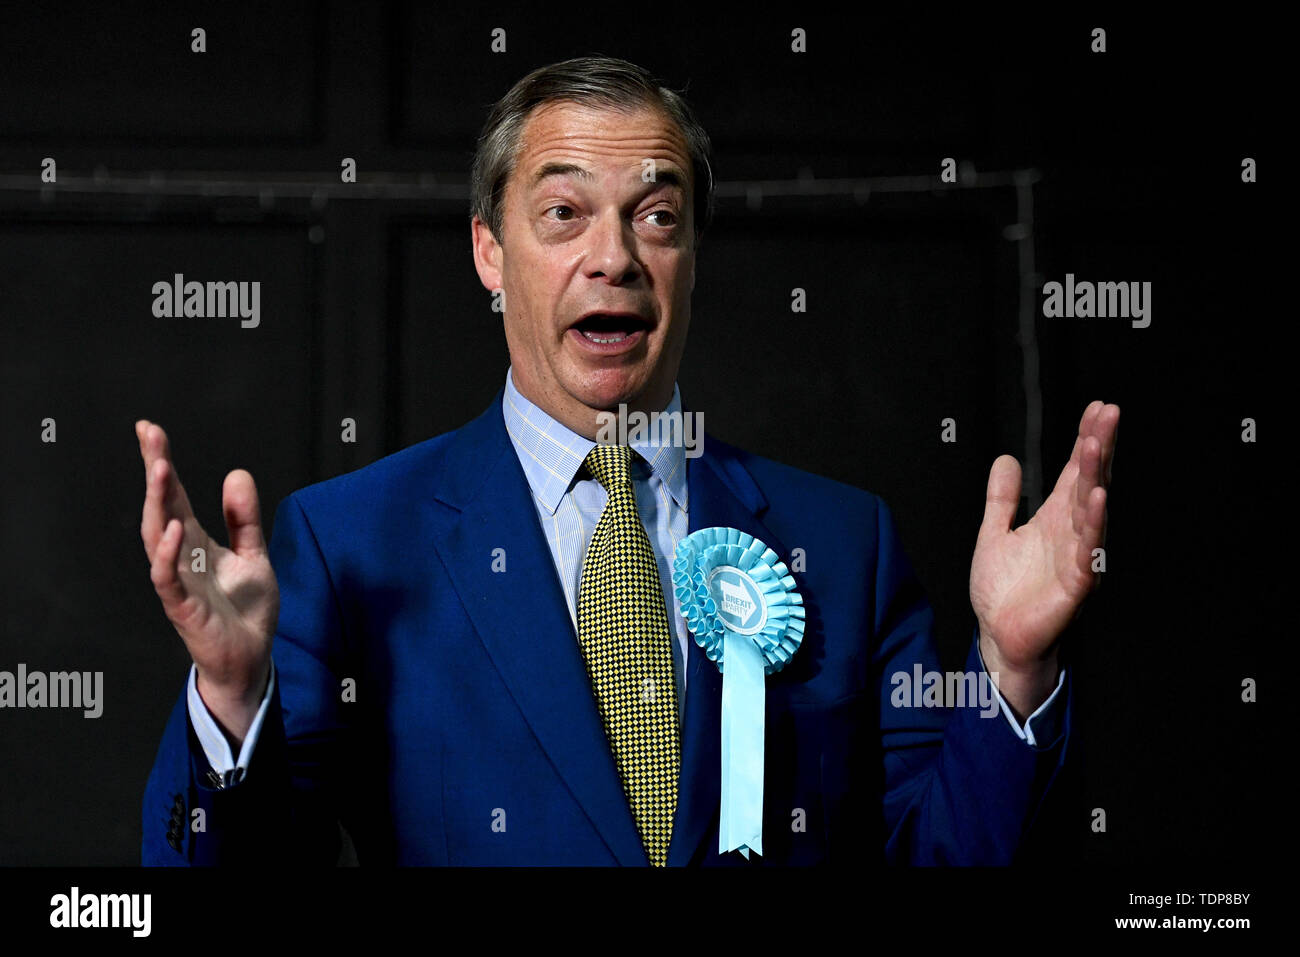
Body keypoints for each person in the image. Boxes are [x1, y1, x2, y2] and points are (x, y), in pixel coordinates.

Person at [139, 56, 1118, 866]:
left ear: (692, 251)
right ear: (489, 251)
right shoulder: (353, 543)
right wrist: (231, 703)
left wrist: (1012, 674)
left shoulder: (844, 542)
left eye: (655, 217)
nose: (615, 257)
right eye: (563, 214)